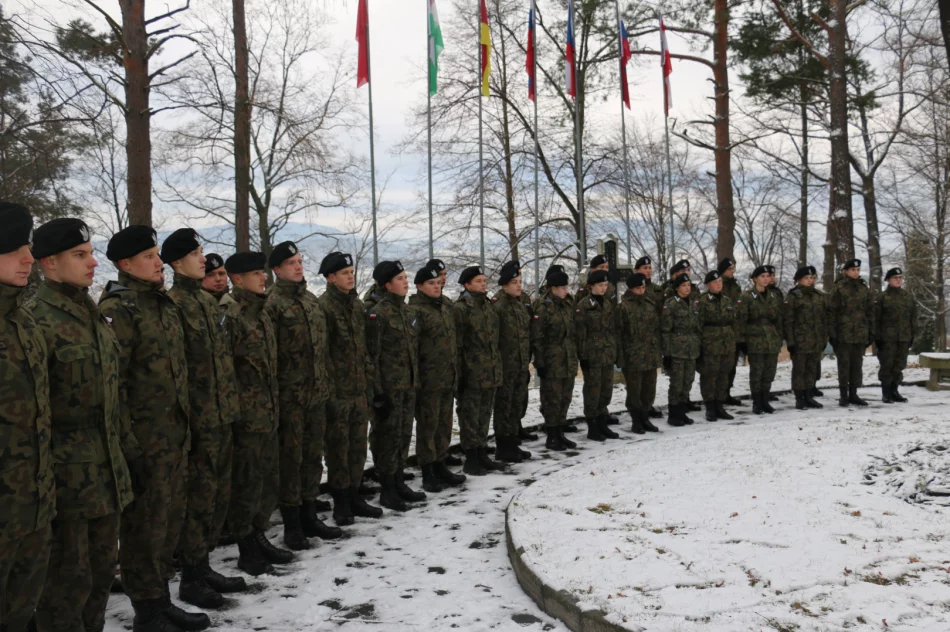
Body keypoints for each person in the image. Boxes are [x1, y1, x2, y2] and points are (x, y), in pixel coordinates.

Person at [30, 219, 138, 632]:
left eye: (91, 253)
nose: (93, 262)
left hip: (105, 477)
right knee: (63, 592)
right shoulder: (37, 320)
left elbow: (112, 396)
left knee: (97, 584)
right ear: (49, 264)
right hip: (65, 485)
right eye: (80, 255)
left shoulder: (88, 313)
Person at [99, 225, 207, 632]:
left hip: (173, 437)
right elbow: (115, 387)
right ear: (126, 264)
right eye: (149, 257)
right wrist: (129, 447)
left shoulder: (160, 305)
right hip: (145, 443)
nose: (159, 263)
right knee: (144, 529)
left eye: (157, 255)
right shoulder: (119, 310)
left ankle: (160, 599)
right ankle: (148, 610)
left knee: (166, 524)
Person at [163, 229, 245, 608]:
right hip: (196, 422)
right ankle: (191, 577)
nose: (203, 258)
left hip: (220, 416)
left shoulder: (208, 304)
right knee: (196, 499)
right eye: (195, 253)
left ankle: (202, 565)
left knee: (213, 496)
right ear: (177, 263)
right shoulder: (174, 304)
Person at [265, 241, 344, 544]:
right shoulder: (272, 303)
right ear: (276, 270)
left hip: (316, 396)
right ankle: (292, 524)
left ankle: (310, 516)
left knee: (313, 458)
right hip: (290, 399)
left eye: (299, 261)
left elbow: (323, 352)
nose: (298, 267)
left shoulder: (311, 300)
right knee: (291, 461)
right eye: (290, 263)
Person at [0, 203, 54, 632]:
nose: (28, 258)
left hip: (32, 506)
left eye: (28, 247)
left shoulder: (24, 321)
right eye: (14, 248)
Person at [223, 252, 286, 577]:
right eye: (256, 274)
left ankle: (258, 535)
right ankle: (246, 546)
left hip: (267, 414)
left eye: (263, 272)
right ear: (238, 279)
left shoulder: (260, 314)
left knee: (265, 480)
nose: (264, 278)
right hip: (245, 418)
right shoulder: (232, 316)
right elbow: (226, 372)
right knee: (245, 484)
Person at [317, 252, 382, 524]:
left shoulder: (355, 306)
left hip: (358, 390)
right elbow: (322, 354)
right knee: (337, 450)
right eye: (344, 273)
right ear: (331, 278)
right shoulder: (324, 308)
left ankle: (354, 495)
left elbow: (364, 350)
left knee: (357, 447)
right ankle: (341, 501)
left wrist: (369, 386)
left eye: (352, 272)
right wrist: (329, 393)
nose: (350, 277)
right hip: (337, 393)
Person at [366, 261, 426, 511]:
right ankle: (387, 489)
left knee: (403, 435)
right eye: (399, 278)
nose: (405, 282)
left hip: (408, 386)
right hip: (388, 389)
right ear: (387, 284)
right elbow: (372, 356)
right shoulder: (377, 314)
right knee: (387, 438)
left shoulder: (408, 312)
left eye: (405, 277)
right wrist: (378, 392)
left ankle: (399, 481)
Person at [409, 264, 465, 491]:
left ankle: (440, 463)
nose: (436, 286)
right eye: (430, 284)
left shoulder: (443, 308)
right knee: (428, 428)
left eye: (437, 282)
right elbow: (413, 349)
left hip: (446, 378)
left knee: (443, 425)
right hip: (428, 381)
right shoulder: (416, 311)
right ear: (420, 286)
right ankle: (428, 470)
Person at [453, 266, 504, 475]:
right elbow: (457, 345)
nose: (484, 284)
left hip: (489, 370)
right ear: (467, 285)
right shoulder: (461, 308)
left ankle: (481, 452)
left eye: (484, 280)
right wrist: (461, 374)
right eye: (479, 281)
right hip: (471, 372)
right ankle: (471, 458)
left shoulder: (488, 306)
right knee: (470, 416)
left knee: (484, 414)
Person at [531, 269, 578, 451]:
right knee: (552, 399)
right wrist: (540, 362)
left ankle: (560, 433)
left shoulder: (567, 305)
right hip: (552, 361)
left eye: (566, 286)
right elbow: (537, 337)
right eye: (561, 287)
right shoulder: (543, 307)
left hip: (568, 359)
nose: (565, 290)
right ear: (552, 288)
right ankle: (552, 436)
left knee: (565, 398)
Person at [491, 261, 533, 462]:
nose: (519, 286)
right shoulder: (498, 307)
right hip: (505, 367)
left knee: (516, 406)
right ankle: (503, 447)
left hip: (519, 365)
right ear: (504, 285)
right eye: (514, 282)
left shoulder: (519, 306)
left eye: (520, 282)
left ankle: (512, 443)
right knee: (504, 408)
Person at [575, 269, 620, 441]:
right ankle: (593, 427)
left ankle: (602, 423)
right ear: (590, 286)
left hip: (607, 353)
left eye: (605, 285)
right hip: (592, 355)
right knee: (593, 391)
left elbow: (611, 330)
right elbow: (580, 334)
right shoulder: (584, 306)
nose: (603, 288)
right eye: (600, 285)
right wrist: (583, 356)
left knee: (606, 389)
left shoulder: (607, 304)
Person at [616, 273, 661, 434]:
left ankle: (645, 417)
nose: (641, 290)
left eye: (643, 287)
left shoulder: (650, 304)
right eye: (638, 288)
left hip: (650, 354)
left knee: (649, 390)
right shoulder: (624, 307)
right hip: (633, 356)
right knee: (634, 391)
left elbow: (656, 330)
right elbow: (619, 334)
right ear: (630, 289)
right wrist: (621, 358)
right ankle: (636, 421)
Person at [737, 266, 783, 415]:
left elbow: (778, 319)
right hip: (755, 339)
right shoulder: (747, 296)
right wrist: (742, 341)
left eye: (768, 276)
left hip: (771, 339)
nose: (766, 279)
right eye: (762, 276)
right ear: (755, 279)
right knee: (757, 373)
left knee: (769, 372)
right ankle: (757, 402)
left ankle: (765, 400)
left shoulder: (773, 296)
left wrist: (779, 337)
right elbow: (741, 320)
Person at [826, 259, 873, 407]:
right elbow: (831, 312)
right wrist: (832, 334)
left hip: (859, 332)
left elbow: (869, 310)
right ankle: (843, 395)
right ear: (845, 271)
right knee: (844, 365)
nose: (856, 272)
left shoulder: (863, 288)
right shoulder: (839, 288)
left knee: (857, 365)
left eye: (858, 269)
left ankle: (854, 394)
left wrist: (870, 332)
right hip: (843, 333)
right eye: (853, 269)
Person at [783, 266, 826, 410]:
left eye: (812, 278)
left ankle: (809, 396)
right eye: (806, 278)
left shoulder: (819, 296)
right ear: (799, 280)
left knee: (811, 369)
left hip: (816, 339)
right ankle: (799, 398)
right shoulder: (794, 296)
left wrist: (823, 338)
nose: (810, 281)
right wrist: (791, 341)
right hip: (800, 340)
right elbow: (789, 321)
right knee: (799, 370)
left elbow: (823, 318)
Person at [661, 274, 701, 426]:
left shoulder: (693, 303)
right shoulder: (671, 304)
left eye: (689, 285)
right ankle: (673, 414)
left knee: (688, 381)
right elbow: (666, 330)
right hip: (677, 350)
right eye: (684, 285)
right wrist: (667, 354)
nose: (687, 288)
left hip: (691, 349)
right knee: (677, 383)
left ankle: (682, 412)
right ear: (677, 288)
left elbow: (697, 327)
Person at [697, 270, 737, 422]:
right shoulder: (702, 301)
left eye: (720, 281)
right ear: (708, 285)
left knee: (723, 376)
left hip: (726, 344)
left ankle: (720, 405)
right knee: (709, 376)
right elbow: (698, 325)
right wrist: (700, 346)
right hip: (710, 345)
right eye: (715, 282)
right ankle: (710, 408)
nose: (718, 284)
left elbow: (733, 322)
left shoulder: (726, 300)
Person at [873, 267, 917, 403]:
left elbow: (913, 318)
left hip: (904, 337)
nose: (898, 280)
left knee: (899, 365)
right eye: (895, 278)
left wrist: (912, 336)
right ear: (888, 280)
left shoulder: (908, 297)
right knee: (887, 365)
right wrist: (877, 337)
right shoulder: (882, 297)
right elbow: (876, 319)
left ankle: (895, 390)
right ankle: (886, 392)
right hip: (887, 338)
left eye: (900, 278)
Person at [634, 256, 665, 419]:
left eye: (649, 268)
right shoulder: (633, 290)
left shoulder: (658, 290)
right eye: (644, 268)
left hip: (654, 337)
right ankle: (639, 408)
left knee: (651, 377)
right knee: (639, 378)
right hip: (639, 339)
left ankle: (648, 405)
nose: (648, 270)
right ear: (637, 271)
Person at [718, 258, 744, 406]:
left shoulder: (735, 286)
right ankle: (719, 395)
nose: (732, 272)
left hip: (735, 332)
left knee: (731, 366)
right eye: (729, 269)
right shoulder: (719, 284)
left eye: (733, 269)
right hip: (722, 332)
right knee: (722, 367)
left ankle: (727, 392)